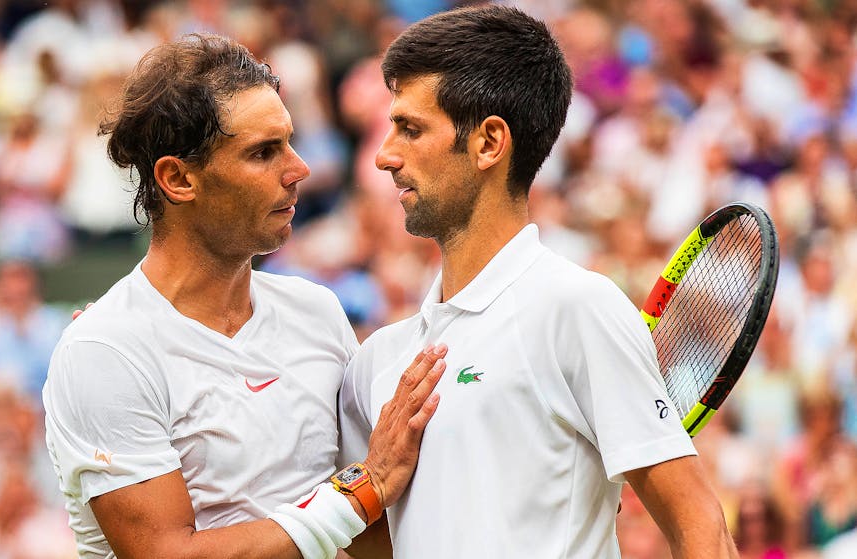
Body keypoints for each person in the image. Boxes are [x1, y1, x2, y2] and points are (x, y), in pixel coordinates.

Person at [336, 5, 739, 558]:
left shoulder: (577, 308)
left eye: (410, 128)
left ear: (488, 143)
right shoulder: (376, 361)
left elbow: (702, 529)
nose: (385, 156)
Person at [42, 34, 444, 559]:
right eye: (263, 152)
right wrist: (364, 489)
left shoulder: (317, 313)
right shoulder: (104, 349)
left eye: (290, 141)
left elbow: (369, 538)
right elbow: (166, 554)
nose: (299, 169)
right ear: (178, 178)